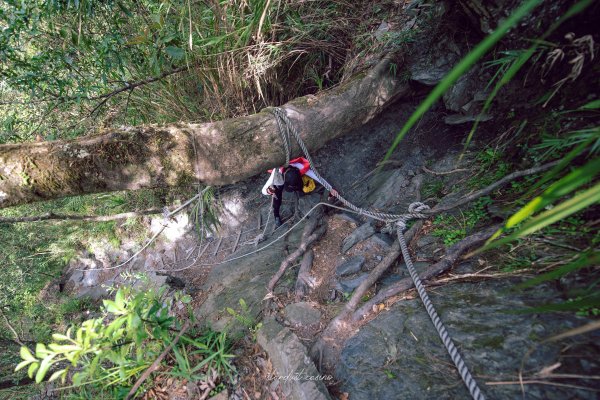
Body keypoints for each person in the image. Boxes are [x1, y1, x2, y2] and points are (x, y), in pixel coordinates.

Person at [261, 157, 336, 227]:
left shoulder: (298, 166)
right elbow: (263, 190)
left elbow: (317, 177)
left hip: (297, 181)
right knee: (277, 195)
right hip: (282, 181)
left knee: (301, 187)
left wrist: (330, 188)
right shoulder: (276, 173)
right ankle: (276, 215)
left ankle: (301, 193)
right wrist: (269, 191)